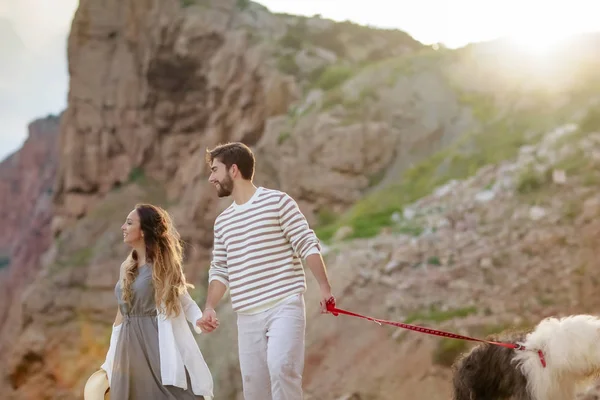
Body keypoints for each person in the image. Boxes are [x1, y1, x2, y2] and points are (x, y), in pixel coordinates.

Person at [197, 142, 335, 400]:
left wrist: (325, 288)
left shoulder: (278, 202)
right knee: (255, 390)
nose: (211, 177)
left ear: (234, 170)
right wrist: (209, 307)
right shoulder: (223, 222)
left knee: (282, 368)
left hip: (284, 305)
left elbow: (307, 243)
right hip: (247, 315)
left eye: (215, 170)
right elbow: (220, 270)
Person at [99, 203, 214, 400]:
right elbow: (121, 315)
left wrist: (199, 320)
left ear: (143, 231)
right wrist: (110, 358)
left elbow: (184, 301)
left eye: (129, 223)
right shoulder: (127, 267)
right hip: (127, 348)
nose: (122, 227)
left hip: (154, 347)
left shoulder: (162, 267)